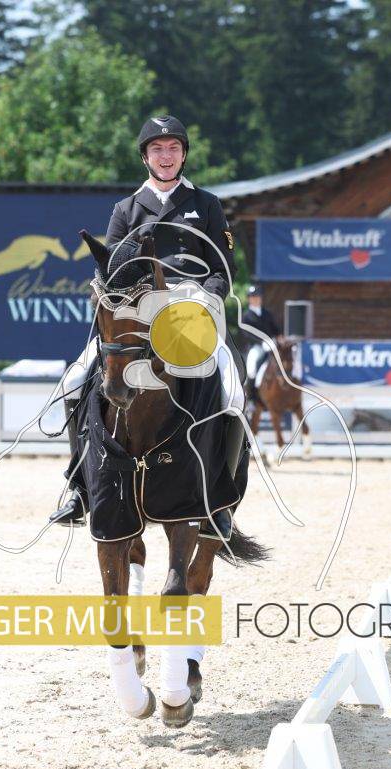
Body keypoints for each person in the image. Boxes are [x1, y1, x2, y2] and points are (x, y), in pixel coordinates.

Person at [50, 115, 241, 533]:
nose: (166, 156)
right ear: (145, 157)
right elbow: (110, 267)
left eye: (173, 148)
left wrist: (205, 297)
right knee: (75, 380)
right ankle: (79, 487)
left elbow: (223, 268)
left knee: (232, 390)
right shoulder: (126, 209)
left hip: (190, 309)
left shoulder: (206, 204)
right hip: (136, 313)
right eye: (157, 149)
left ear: (184, 155)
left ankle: (219, 501)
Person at [240, 284, 281, 404]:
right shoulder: (246, 316)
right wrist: (262, 342)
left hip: (271, 344)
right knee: (251, 368)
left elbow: (275, 329)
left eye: (257, 296)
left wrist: (279, 337)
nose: (256, 299)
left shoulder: (267, 313)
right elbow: (247, 335)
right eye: (253, 297)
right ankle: (252, 398)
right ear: (249, 299)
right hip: (256, 347)